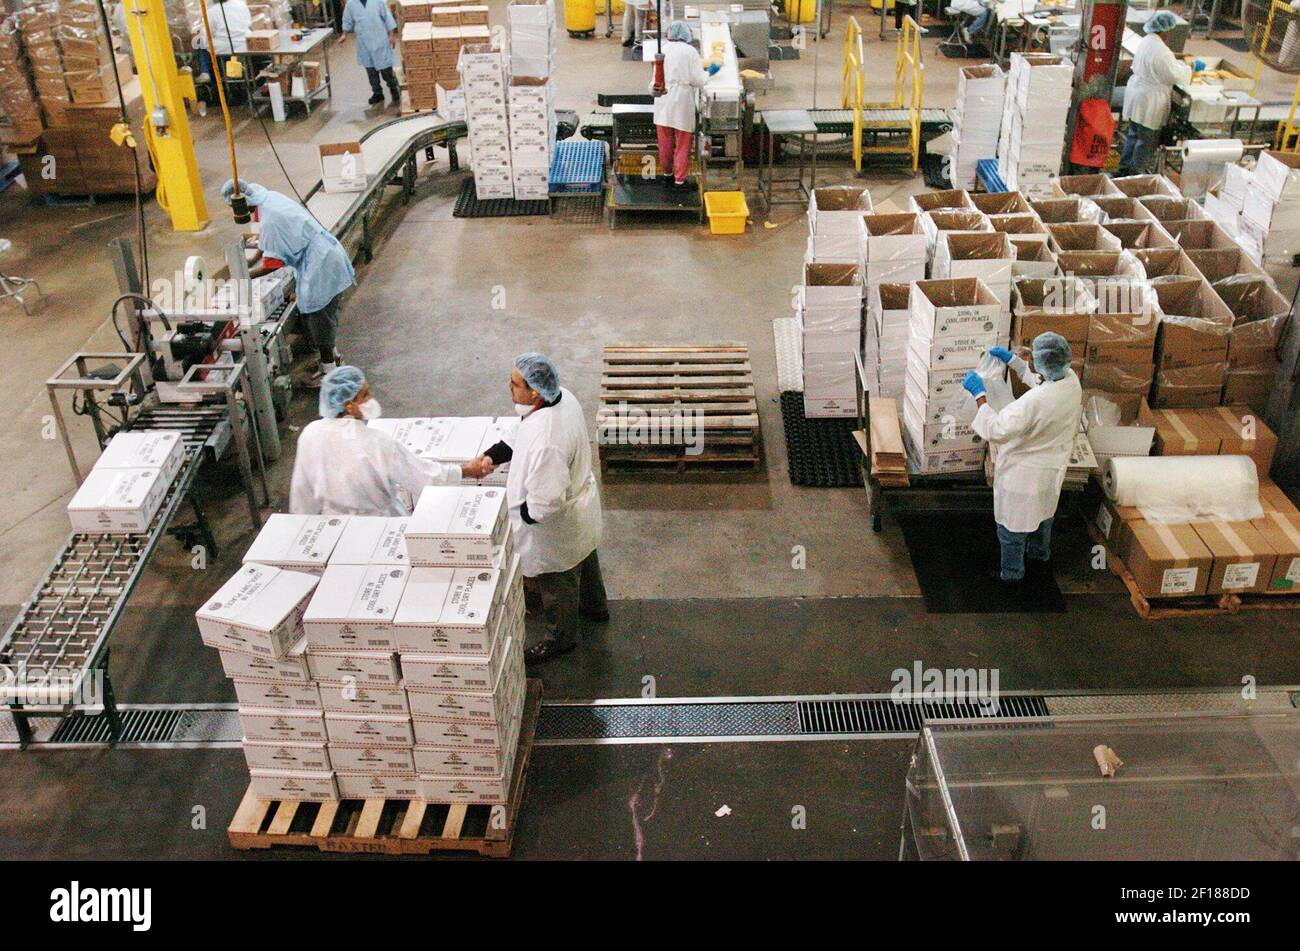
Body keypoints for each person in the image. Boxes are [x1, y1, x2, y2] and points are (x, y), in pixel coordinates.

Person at [479, 353, 608, 664]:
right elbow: (523, 429)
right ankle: (596, 608)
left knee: (557, 585)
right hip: (580, 514)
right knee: (586, 563)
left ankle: (561, 639)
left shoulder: (547, 441)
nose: (508, 388)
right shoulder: (563, 398)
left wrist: (521, 516)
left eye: (514, 384)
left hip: (555, 529)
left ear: (534, 391)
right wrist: (494, 455)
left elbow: (547, 502)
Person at [290, 366, 495, 516]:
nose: (371, 397)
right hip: (379, 526)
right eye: (365, 394)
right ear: (349, 406)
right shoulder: (375, 442)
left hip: (333, 528)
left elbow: (301, 492)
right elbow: (425, 477)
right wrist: (468, 470)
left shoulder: (310, 434)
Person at [961, 334, 1082, 584]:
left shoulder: (1031, 404)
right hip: (1051, 469)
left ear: (1040, 363)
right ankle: (1040, 557)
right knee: (1043, 516)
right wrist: (1015, 363)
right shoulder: (1070, 381)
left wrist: (979, 394)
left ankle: (1012, 576)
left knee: (1011, 530)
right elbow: (1044, 385)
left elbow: (995, 429)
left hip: (1023, 475)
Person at [222, 179, 355, 387]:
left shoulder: (269, 220)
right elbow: (267, 241)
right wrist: (253, 255)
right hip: (324, 254)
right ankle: (332, 359)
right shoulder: (269, 199)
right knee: (323, 317)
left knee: (318, 318)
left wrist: (244, 275)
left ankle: (329, 374)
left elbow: (273, 264)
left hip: (320, 264)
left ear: (242, 203)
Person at [1119, 11, 1195, 177]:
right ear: (1166, 30)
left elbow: (1160, 61)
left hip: (1137, 95)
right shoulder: (1161, 50)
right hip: (1149, 100)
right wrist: (1190, 69)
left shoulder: (1147, 40)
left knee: (1133, 136)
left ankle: (1123, 171)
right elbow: (1174, 75)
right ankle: (1135, 178)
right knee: (1145, 141)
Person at [651, 20, 720, 189]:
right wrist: (710, 72)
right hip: (682, 100)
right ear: (686, 34)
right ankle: (679, 180)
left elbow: (654, 81)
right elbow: (697, 80)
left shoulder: (662, 50)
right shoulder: (690, 52)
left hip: (663, 99)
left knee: (665, 141)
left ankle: (667, 173)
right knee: (682, 142)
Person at [341, 0, 400, 107]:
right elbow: (347, 19)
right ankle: (377, 93)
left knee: (386, 69)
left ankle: (393, 88)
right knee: (371, 71)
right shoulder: (351, 4)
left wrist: (392, 36)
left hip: (380, 40)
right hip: (364, 42)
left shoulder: (378, 1)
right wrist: (344, 34)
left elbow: (387, 17)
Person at [193, 0, 252, 82]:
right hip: (245, 43)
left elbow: (208, 32)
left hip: (224, 47)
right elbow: (249, 23)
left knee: (202, 42)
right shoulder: (240, 4)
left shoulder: (211, 12)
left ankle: (205, 73)